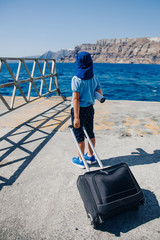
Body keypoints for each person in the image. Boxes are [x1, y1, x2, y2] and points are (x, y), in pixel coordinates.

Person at [71, 51, 103, 168]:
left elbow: (75, 99)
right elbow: (100, 92)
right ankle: (90, 156)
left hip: (79, 110)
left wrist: (76, 117)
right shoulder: (94, 78)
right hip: (90, 109)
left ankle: (81, 160)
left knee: (79, 135)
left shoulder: (76, 79)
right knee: (90, 133)